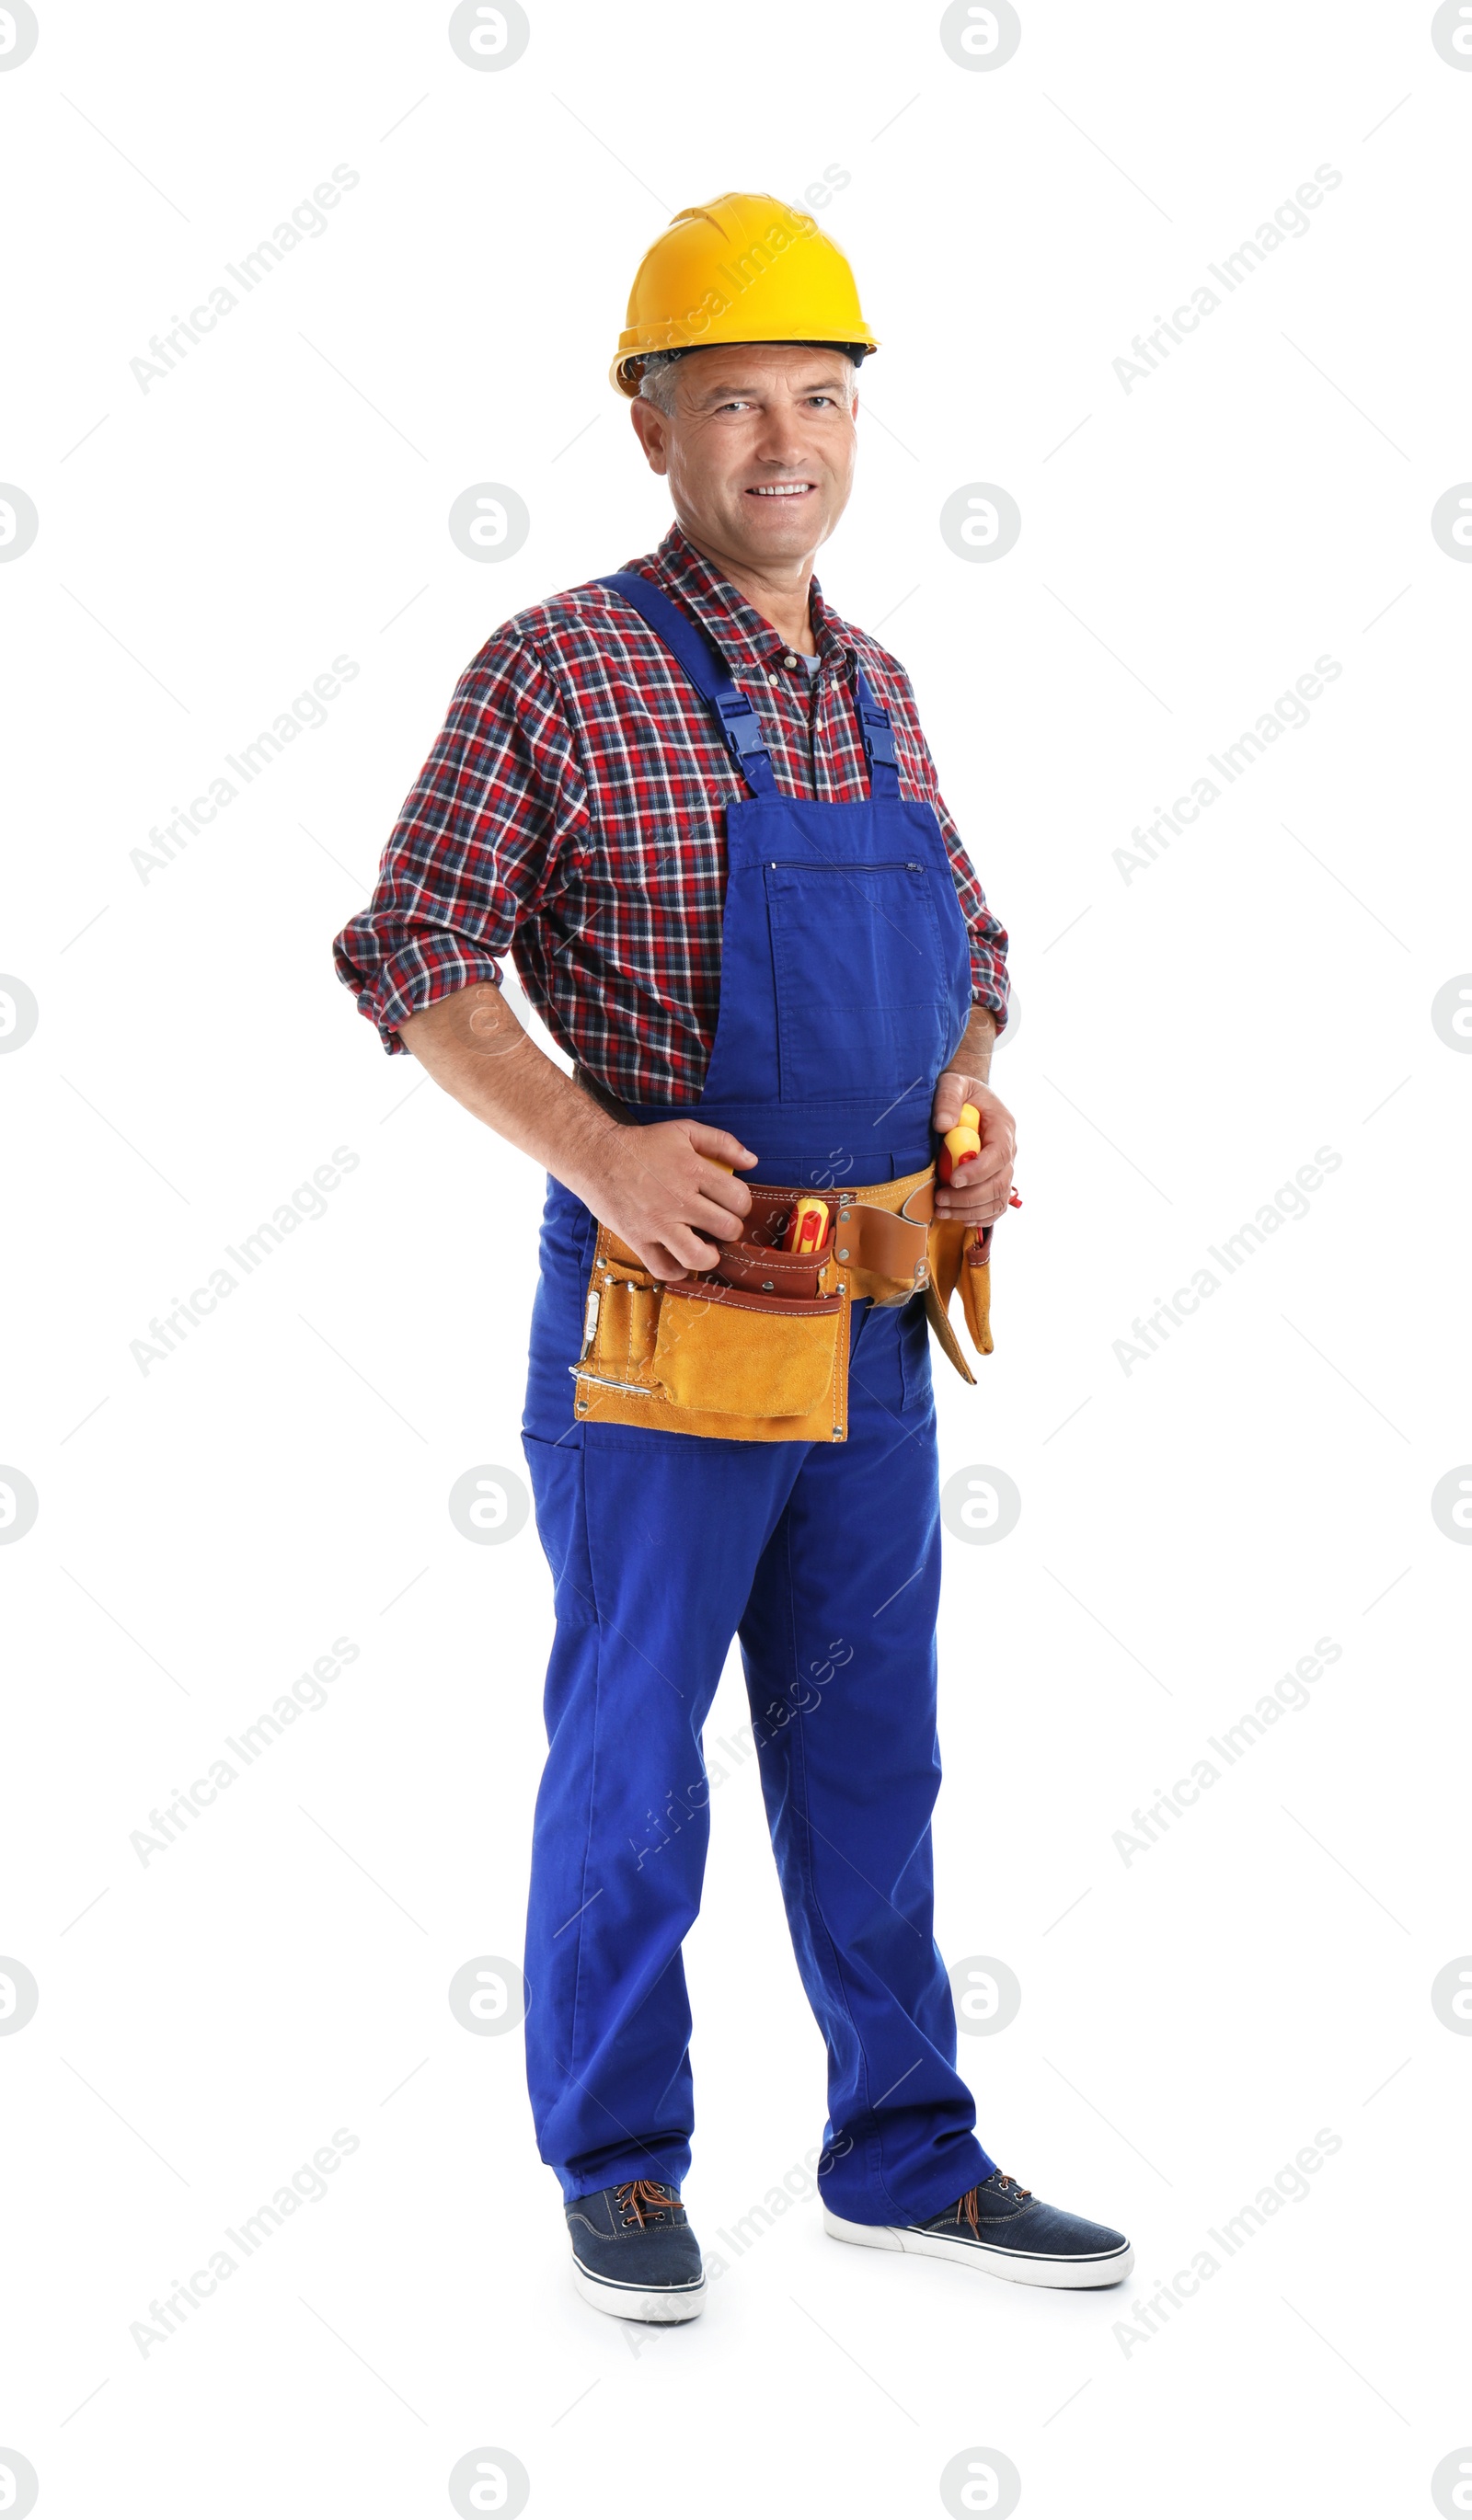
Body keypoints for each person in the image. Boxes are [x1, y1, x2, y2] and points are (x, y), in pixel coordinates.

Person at [334, 192, 1133, 2321]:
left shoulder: (875, 684)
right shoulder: (557, 669)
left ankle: (904, 2150)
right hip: (659, 1335)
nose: (786, 436)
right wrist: (593, 1148)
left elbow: (965, 949)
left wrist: (966, 1113)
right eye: (733, 399)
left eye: (821, 395)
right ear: (649, 428)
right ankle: (617, 2160)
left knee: (873, 1761)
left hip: (868, 1331)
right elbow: (409, 948)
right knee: (629, 1755)